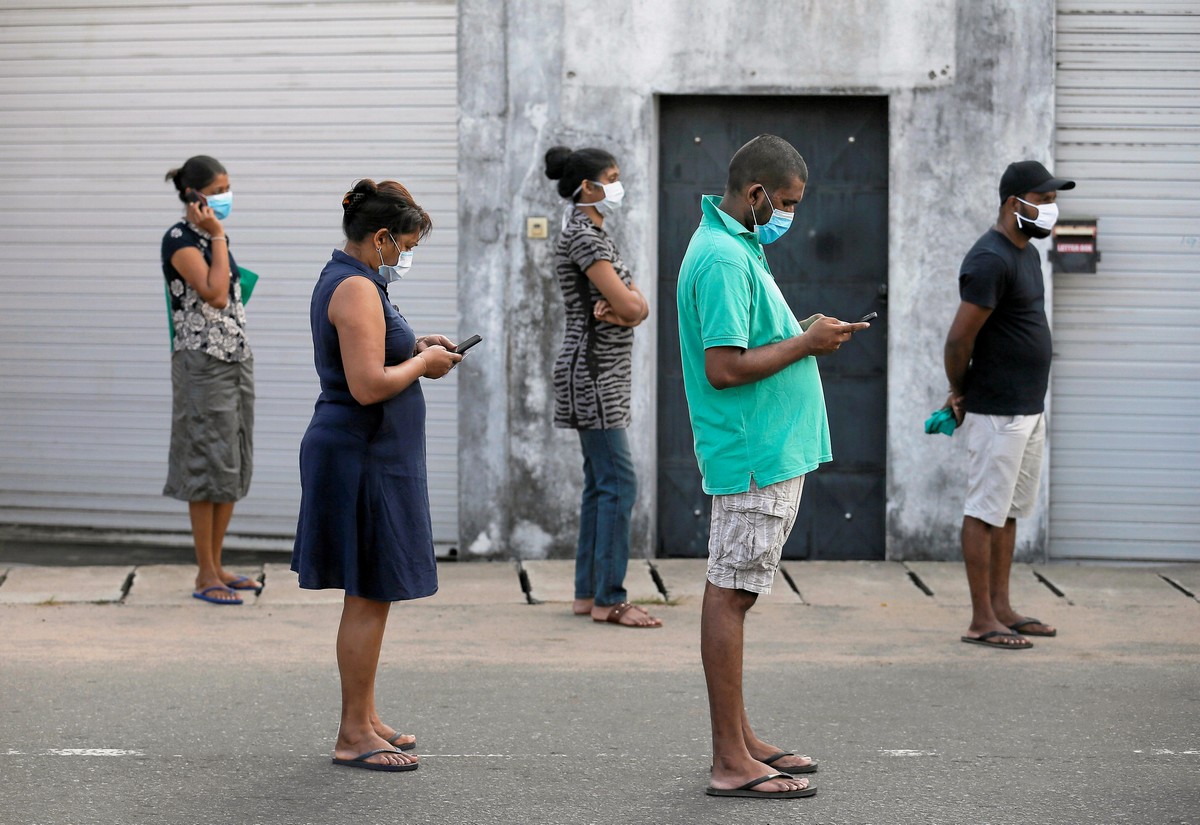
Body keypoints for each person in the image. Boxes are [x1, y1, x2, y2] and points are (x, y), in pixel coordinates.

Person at [676, 134, 869, 800]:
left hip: (766, 451)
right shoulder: (726, 257)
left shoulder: (738, 247)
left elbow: (753, 341)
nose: (791, 214)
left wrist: (805, 332)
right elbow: (724, 368)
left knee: (738, 589)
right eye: (785, 202)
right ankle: (730, 759)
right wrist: (808, 342)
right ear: (756, 194)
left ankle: (743, 737)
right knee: (731, 593)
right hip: (755, 454)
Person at [290, 179, 462, 772]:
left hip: (373, 454)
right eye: (406, 245)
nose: (407, 256)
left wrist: (417, 343)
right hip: (360, 455)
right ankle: (352, 734)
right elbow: (366, 385)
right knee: (368, 591)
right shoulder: (356, 288)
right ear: (382, 237)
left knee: (375, 590)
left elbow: (374, 353)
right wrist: (423, 364)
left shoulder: (359, 282)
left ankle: (365, 716)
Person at [944, 160, 1074, 650]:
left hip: (1027, 407)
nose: (1049, 209)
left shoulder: (1026, 255)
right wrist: (960, 391)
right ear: (1012, 204)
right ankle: (981, 619)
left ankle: (1002, 607)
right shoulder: (990, 259)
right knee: (983, 511)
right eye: (1041, 200)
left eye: (1050, 200)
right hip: (996, 410)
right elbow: (958, 341)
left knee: (1010, 510)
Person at [543, 145, 661, 629]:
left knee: (601, 483)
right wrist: (631, 305)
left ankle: (588, 593)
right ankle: (609, 598)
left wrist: (633, 305)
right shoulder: (585, 239)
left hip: (596, 370)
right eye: (610, 177)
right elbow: (631, 308)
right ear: (587, 188)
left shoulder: (590, 234)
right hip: (593, 372)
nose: (618, 184)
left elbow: (636, 307)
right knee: (619, 482)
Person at [161, 155, 257, 605]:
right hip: (201, 364)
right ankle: (204, 574)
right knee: (205, 463)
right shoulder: (180, 239)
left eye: (227, 188)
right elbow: (215, 295)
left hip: (234, 361)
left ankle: (218, 566)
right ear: (193, 195)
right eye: (217, 189)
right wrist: (218, 236)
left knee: (230, 460)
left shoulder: (211, 238)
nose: (224, 196)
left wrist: (218, 237)